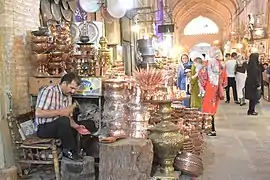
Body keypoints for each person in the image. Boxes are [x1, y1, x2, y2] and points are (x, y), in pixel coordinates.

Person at [35, 72, 94, 161]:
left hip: (60, 126)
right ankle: (69, 151)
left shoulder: (68, 96)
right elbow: (38, 113)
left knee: (88, 123)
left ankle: (81, 151)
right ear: (64, 83)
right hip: (44, 128)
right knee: (63, 121)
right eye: (72, 88)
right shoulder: (49, 91)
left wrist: (77, 126)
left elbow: (68, 117)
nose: (73, 91)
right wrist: (60, 112)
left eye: (75, 89)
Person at [199, 47, 227, 136]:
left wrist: (202, 85)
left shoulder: (207, 64)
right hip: (217, 89)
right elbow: (224, 79)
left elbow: (202, 75)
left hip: (209, 88)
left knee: (207, 108)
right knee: (213, 108)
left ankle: (210, 128)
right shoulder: (222, 65)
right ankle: (211, 128)